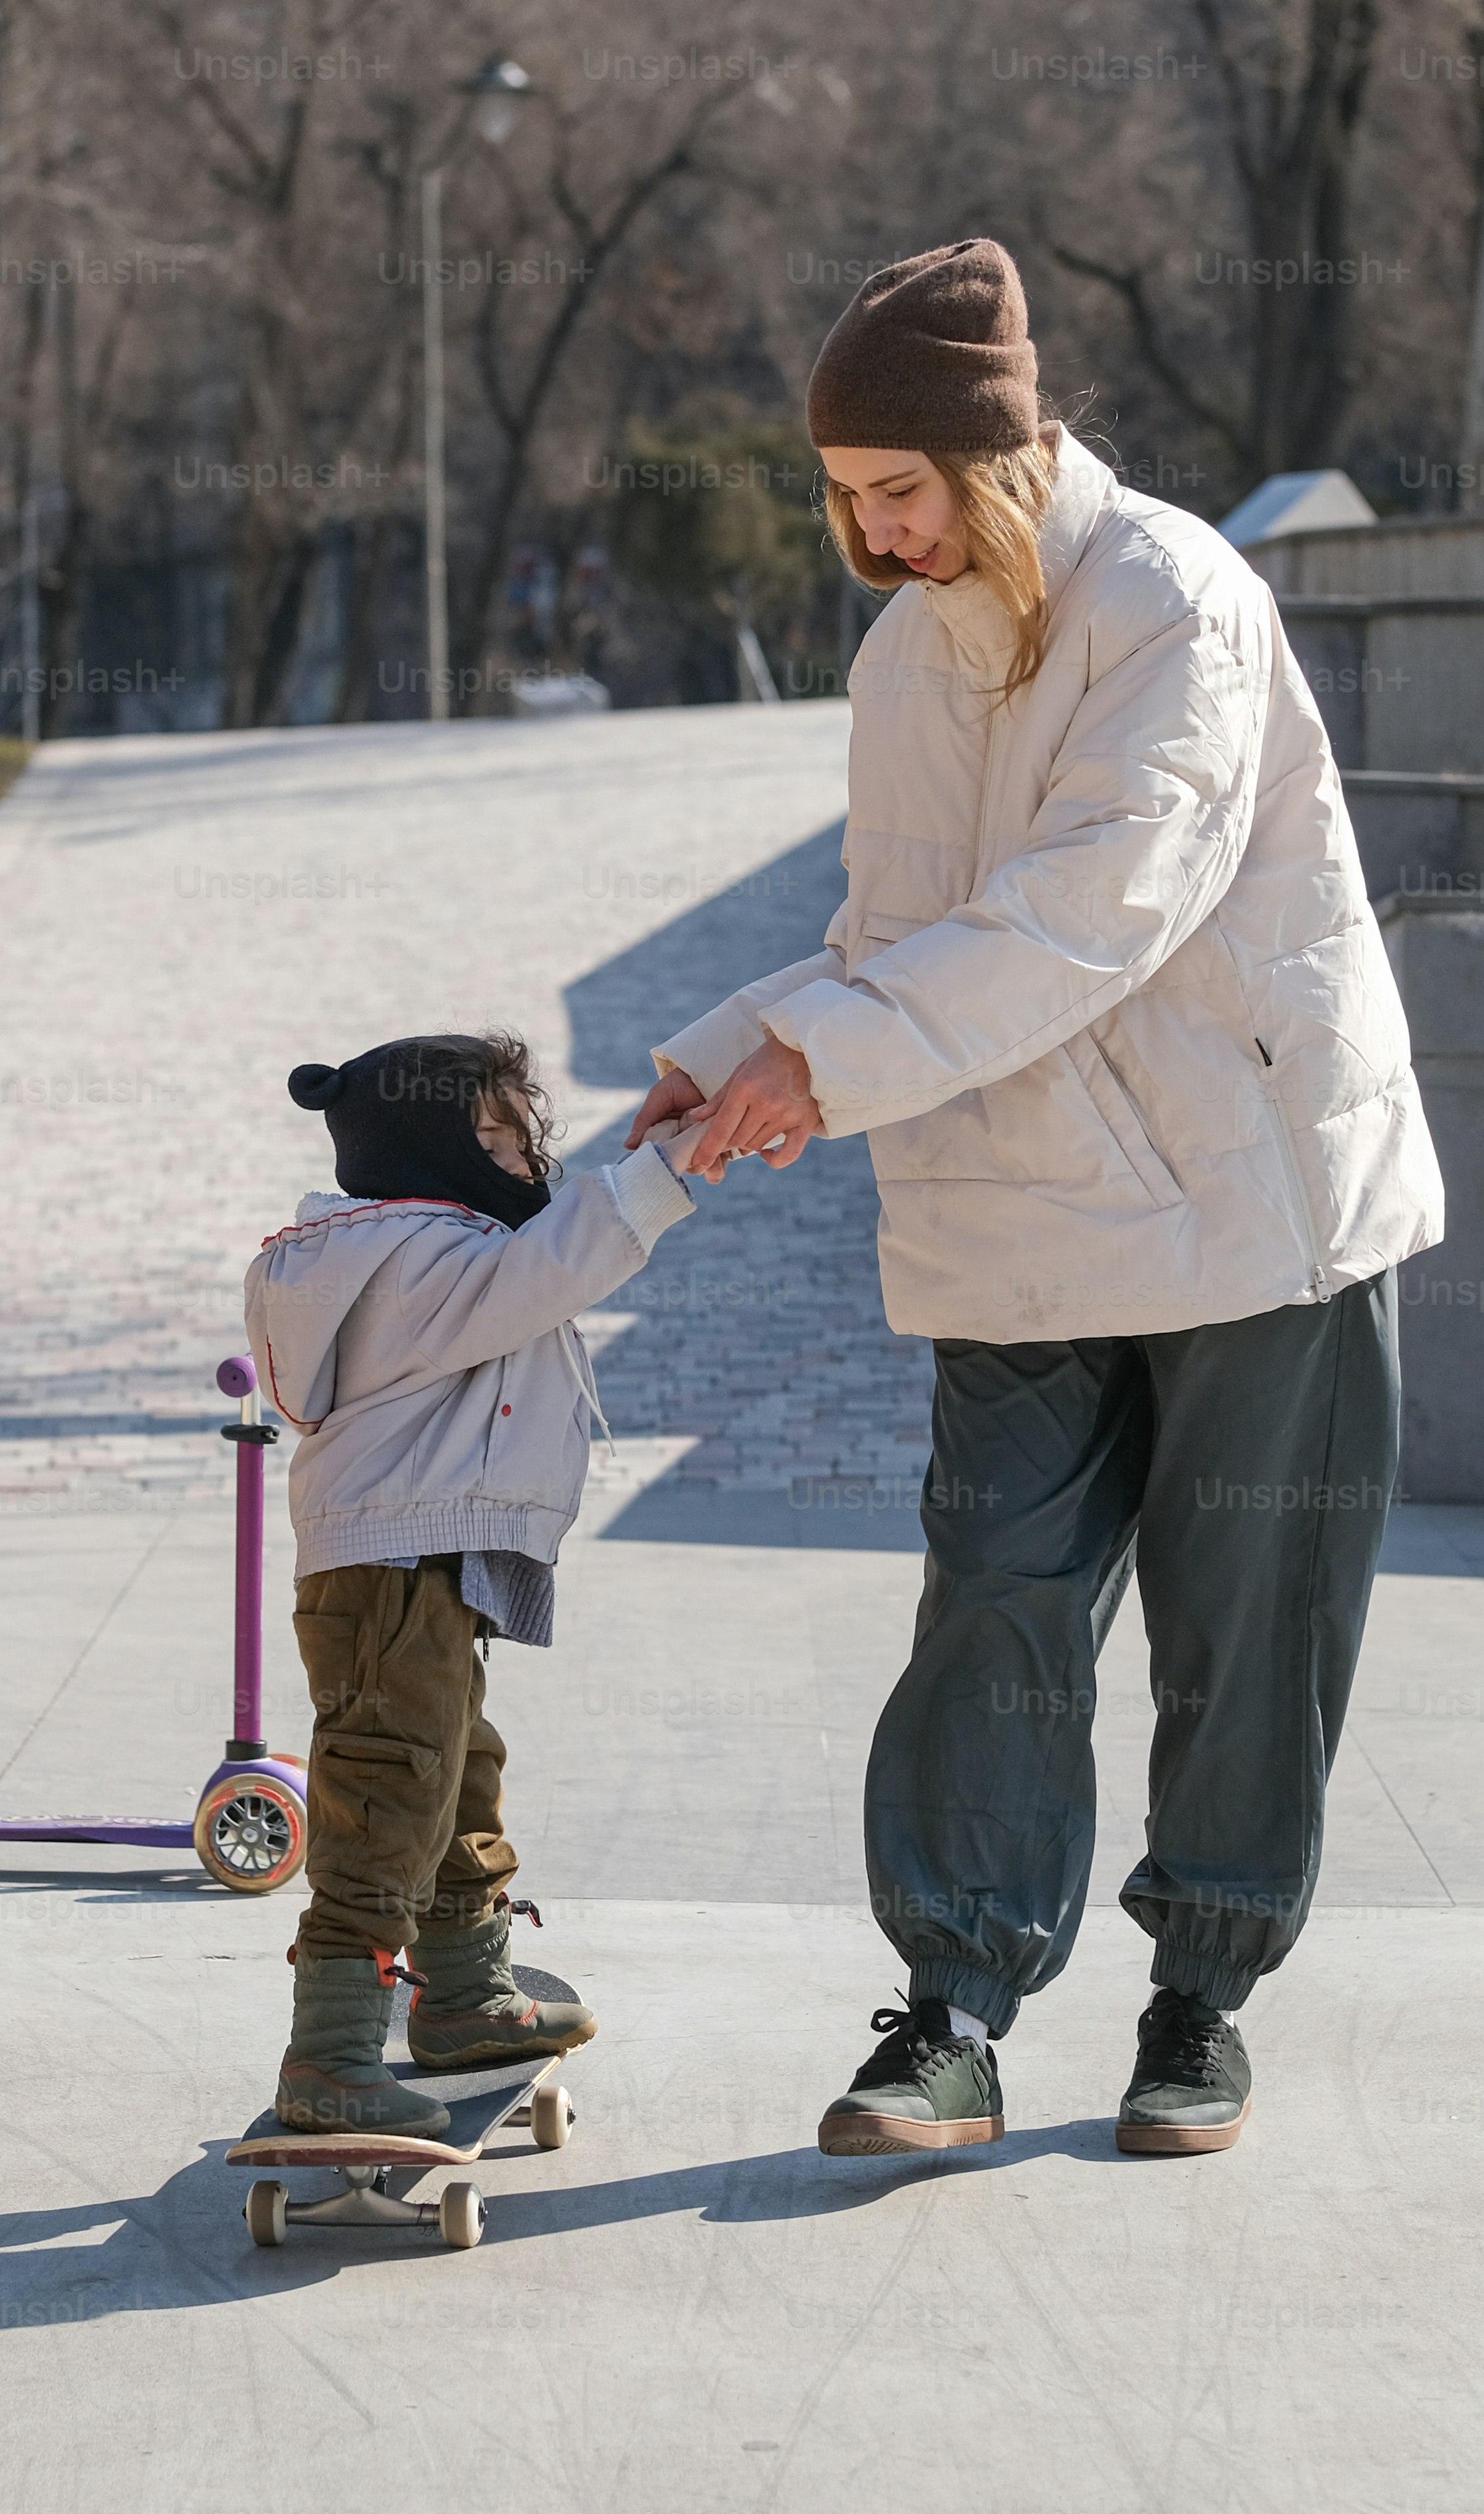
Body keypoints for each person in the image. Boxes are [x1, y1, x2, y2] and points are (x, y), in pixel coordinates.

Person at [629, 239, 1444, 2163]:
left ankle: (1197, 1999)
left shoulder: (1173, 601)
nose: (871, 536)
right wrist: (730, 1036)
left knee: (1242, 1618)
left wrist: (819, 1061)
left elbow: (1096, 906)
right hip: (1011, 1200)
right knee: (990, 1598)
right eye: (841, 499)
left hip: (1251, 1197)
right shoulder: (905, 650)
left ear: (992, 459)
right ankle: (952, 2008)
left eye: (895, 492)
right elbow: (894, 929)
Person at [246, 1031, 695, 2138]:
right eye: (486, 1135)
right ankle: (333, 2051)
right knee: (389, 1784)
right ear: (421, 1145)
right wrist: (668, 1168)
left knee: (453, 1771)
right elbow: (547, 1272)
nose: (515, 1156)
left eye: (519, 1132)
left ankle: (463, 1996)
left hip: (422, 1562)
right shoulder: (409, 1254)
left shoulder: (410, 1243)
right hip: (389, 1568)